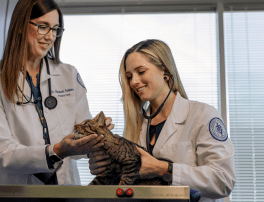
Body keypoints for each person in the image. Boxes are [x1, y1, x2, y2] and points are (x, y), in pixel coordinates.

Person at [0, 0, 112, 185]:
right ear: (20, 26)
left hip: (63, 186)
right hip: (12, 189)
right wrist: (57, 151)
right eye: (43, 26)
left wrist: (95, 135)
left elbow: (80, 142)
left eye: (55, 29)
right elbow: (1, 151)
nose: (50, 36)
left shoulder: (69, 74)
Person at [88, 39, 235, 201]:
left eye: (141, 72)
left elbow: (223, 180)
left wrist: (164, 168)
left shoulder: (202, 115)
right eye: (129, 76)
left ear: (165, 71)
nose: (134, 82)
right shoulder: (136, 126)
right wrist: (105, 165)